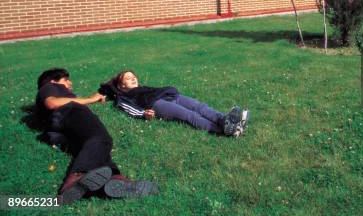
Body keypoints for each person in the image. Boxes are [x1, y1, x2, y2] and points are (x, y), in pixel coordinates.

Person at [36, 68, 158, 204]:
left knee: (92, 148)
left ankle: (111, 181)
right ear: (53, 81)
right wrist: (91, 99)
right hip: (68, 113)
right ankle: (76, 178)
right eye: (66, 80)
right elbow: (51, 102)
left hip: (60, 128)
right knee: (101, 139)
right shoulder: (49, 87)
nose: (70, 83)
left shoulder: (56, 93)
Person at [99, 70, 249, 137]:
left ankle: (226, 120)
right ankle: (223, 131)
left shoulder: (142, 88)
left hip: (170, 96)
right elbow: (129, 109)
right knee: (190, 115)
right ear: (121, 86)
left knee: (200, 106)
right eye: (128, 78)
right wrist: (143, 114)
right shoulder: (122, 97)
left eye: (133, 76)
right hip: (156, 104)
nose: (133, 78)